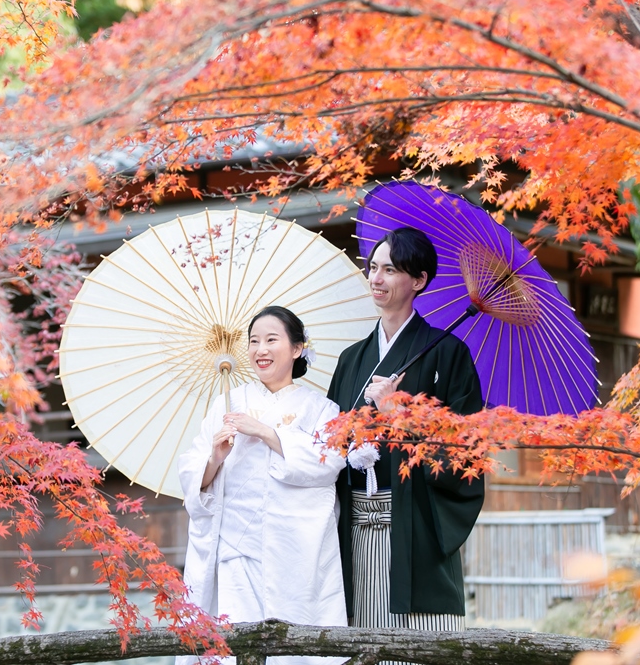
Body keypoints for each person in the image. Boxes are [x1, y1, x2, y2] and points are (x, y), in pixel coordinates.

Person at [327, 226, 484, 631]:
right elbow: (330, 443)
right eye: (372, 268)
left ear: (418, 281)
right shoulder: (351, 360)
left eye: (390, 270)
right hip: (355, 526)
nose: (375, 279)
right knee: (362, 643)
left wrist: (400, 413)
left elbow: (466, 454)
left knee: (418, 645)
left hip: (415, 529)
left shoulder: (449, 354)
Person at [177, 306, 346, 665]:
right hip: (236, 548)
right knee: (236, 644)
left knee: (294, 646)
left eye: (272, 339)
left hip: (295, 550)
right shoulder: (228, 403)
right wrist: (215, 458)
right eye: (254, 341)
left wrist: (267, 433)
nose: (260, 350)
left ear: (297, 348)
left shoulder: (321, 409)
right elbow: (193, 475)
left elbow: (329, 463)